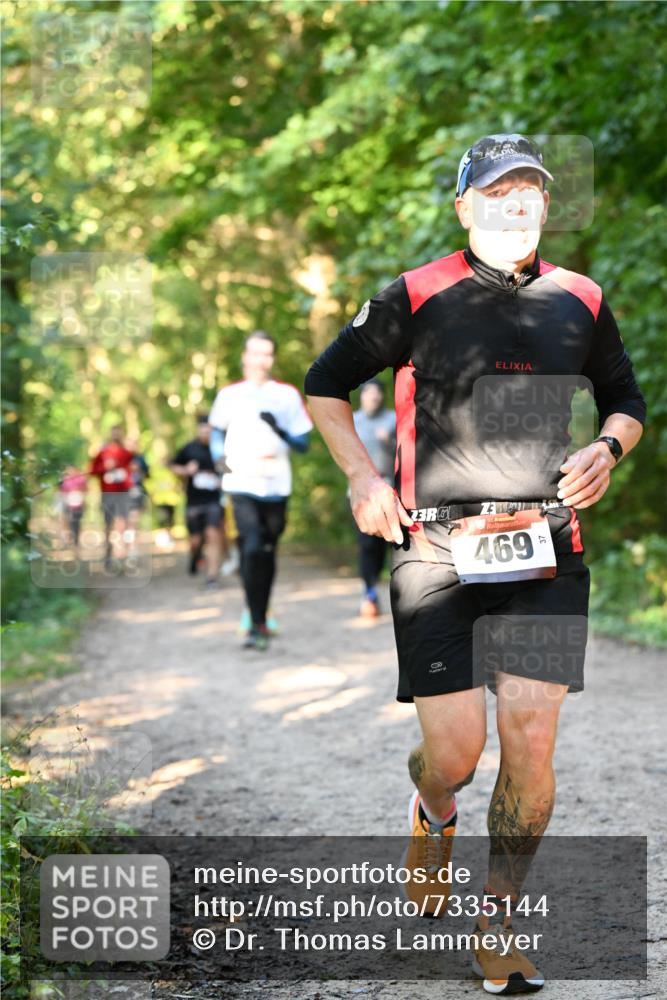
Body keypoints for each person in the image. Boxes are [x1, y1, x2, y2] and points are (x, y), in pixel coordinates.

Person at [305, 133, 646, 994]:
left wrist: (608, 446)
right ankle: (433, 808)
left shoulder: (580, 297)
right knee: (454, 753)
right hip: (436, 550)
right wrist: (360, 479)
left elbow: (626, 399)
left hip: (545, 549)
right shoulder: (416, 293)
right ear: (464, 206)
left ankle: (497, 922)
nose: (514, 203)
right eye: (496, 191)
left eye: (529, 189)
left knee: (529, 744)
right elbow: (323, 383)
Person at [209, 330, 313, 651]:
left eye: (267, 354)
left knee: (266, 550)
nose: (260, 360)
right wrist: (218, 457)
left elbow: (303, 444)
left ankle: (260, 614)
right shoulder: (230, 395)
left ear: (273, 358)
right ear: (244, 356)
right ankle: (255, 622)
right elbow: (215, 431)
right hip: (241, 482)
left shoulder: (286, 395)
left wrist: (277, 427)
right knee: (252, 547)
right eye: (255, 353)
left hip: (276, 485)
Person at [352, 379, 396, 617]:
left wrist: (389, 442)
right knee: (367, 544)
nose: (374, 398)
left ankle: (396, 592)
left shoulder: (393, 420)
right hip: (360, 492)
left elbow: (405, 453)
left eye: (378, 394)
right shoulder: (352, 421)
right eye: (369, 393)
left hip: (390, 488)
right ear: (362, 396)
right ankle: (369, 592)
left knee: (389, 544)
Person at [171, 416, 226, 588]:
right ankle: (195, 556)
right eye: (202, 431)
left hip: (214, 500)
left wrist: (223, 476)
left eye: (208, 431)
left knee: (212, 534)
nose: (205, 434)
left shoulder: (219, 449)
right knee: (195, 540)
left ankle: (212, 577)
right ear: (198, 431)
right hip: (194, 502)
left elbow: (230, 468)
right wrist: (186, 470)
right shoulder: (189, 448)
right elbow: (173, 466)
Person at [89, 425, 135, 567]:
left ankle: (123, 555)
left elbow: (134, 469)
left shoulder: (127, 453)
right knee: (108, 524)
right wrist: (105, 468)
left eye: (118, 433)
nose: (116, 435)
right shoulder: (103, 452)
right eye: (114, 432)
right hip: (107, 493)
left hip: (123, 493)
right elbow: (92, 471)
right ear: (110, 434)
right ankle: (108, 554)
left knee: (123, 523)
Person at [57, 465, 88, 554]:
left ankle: (76, 541)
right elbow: (60, 491)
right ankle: (70, 539)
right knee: (69, 522)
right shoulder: (64, 479)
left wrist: (80, 492)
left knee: (77, 523)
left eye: (72, 470)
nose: (70, 472)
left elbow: (86, 489)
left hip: (79, 505)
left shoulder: (81, 479)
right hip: (68, 504)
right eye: (68, 471)